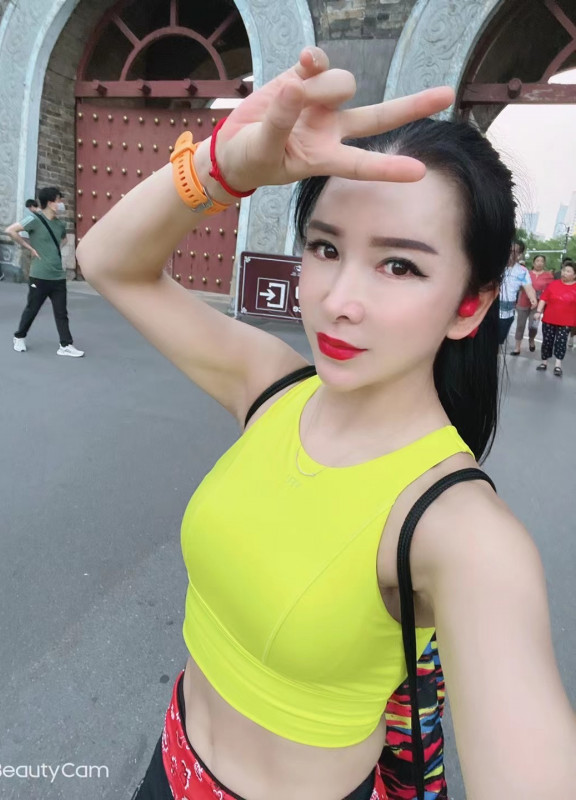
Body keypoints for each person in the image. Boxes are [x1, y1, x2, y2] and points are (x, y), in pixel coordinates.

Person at [76, 48, 575, 800]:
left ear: (469, 306)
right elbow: (108, 261)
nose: (339, 300)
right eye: (326, 247)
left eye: (399, 265)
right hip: (168, 764)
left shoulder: (462, 532)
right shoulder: (274, 390)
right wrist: (222, 163)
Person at [6, 187, 84, 357]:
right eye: (59, 200)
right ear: (50, 203)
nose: (61, 204)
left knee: (61, 312)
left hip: (57, 276)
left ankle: (65, 345)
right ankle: (19, 336)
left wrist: (51, 252)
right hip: (39, 276)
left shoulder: (59, 224)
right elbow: (10, 230)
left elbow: (63, 240)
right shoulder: (34, 219)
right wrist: (29, 247)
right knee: (32, 309)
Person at [534, 259, 576, 377]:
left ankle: (558, 365)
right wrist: (538, 312)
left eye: (568, 271)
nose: (564, 273)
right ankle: (544, 362)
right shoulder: (554, 284)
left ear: (574, 275)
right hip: (549, 318)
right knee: (547, 341)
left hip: (566, 321)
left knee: (561, 342)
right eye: (564, 270)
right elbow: (543, 298)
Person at [511, 254, 553, 355]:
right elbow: (518, 285)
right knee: (520, 325)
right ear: (533, 263)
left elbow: (550, 291)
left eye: (542, 261)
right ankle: (517, 347)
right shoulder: (526, 273)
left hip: (537, 305)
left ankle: (531, 339)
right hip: (523, 302)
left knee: (533, 326)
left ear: (544, 263)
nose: (539, 263)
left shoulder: (548, 276)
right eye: (537, 261)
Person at [498, 239, 536, 346]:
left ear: (520, 254)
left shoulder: (522, 271)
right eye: (509, 250)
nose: (511, 254)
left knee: (498, 341)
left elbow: (528, 287)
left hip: (506, 314)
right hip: (488, 310)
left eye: (515, 252)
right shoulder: (495, 266)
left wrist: (532, 298)